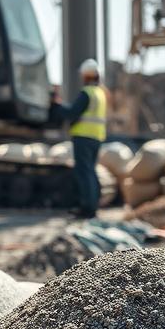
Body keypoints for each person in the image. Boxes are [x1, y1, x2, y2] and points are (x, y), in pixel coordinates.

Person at [50, 58, 106, 218]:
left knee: (84, 172)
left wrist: (57, 104)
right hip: (96, 137)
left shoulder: (87, 93)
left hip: (84, 136)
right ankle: (93, 206)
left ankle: (87, 208)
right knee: (91, 171)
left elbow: (72, 113)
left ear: (86, 76)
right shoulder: (100, 93)